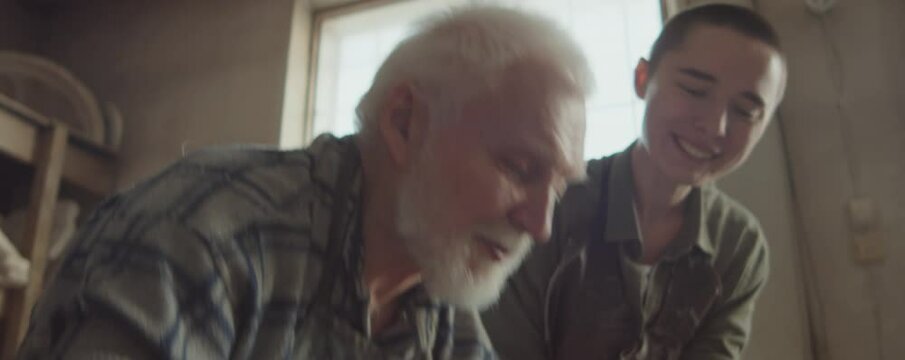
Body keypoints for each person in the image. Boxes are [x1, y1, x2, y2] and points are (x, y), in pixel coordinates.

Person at [18, 6, 594, 359]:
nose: (541, 226)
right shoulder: (207, 234)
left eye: (560, 187)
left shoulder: (437, 313)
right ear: (404, 122)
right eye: (520, 169)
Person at [482, 4, 787, 360]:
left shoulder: (739, 246)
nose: (716, 126)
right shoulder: (547, 207)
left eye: (746, 112)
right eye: (694, 90)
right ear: (642, 78)